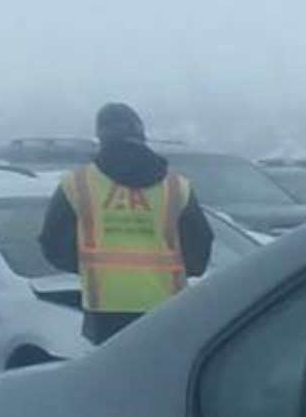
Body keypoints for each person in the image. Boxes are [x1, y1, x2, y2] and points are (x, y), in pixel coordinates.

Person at [40, 103, 213, 342]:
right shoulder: (176, 186)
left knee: (112, 377)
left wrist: (91, 269)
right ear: (142, 135)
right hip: (166, 306)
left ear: (100, 136)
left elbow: (52, 243)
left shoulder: (77, 183)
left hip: (104, 309)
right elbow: (199, 249)